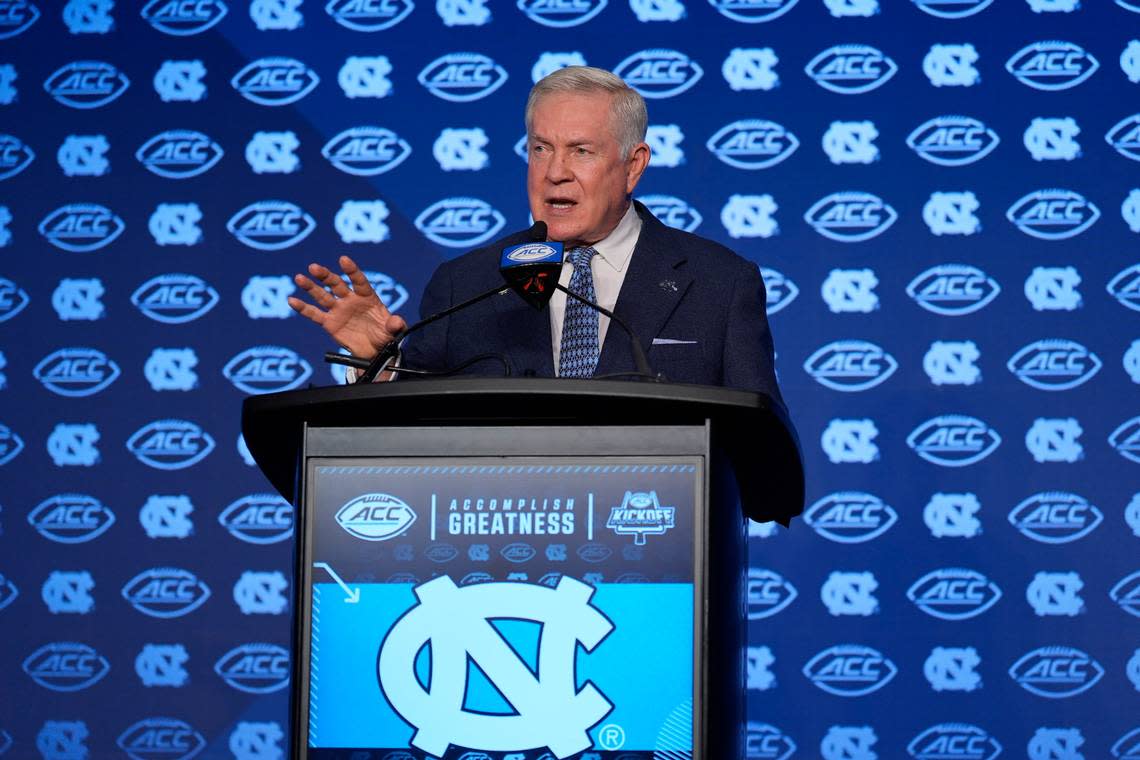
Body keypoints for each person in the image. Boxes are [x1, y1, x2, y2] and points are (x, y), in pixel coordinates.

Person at [289, 66, 781, 400]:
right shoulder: (468, 284)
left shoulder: (720, 283)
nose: (555, 172)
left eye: (581, 151)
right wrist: (380, 365)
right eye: (541, 149)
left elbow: (765, 458)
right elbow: (408, 439)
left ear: (633, 166)